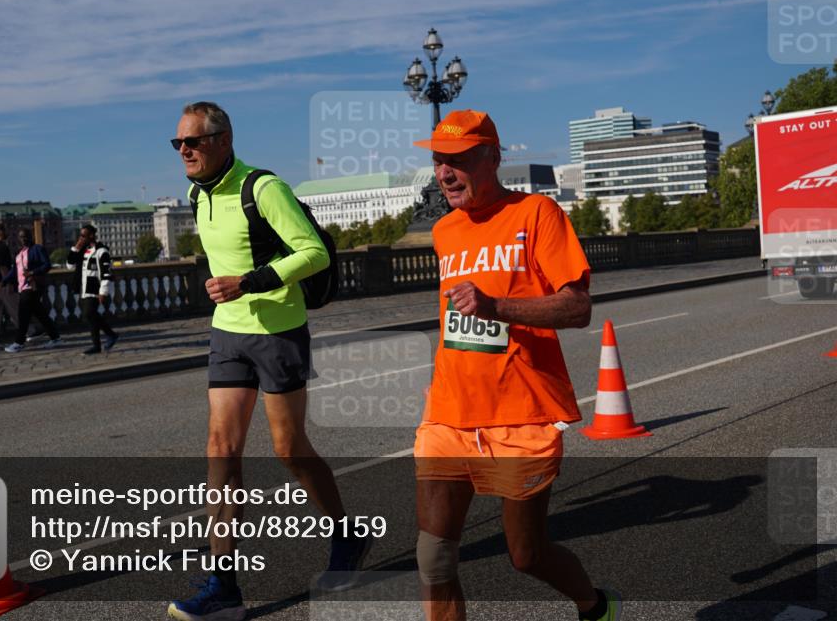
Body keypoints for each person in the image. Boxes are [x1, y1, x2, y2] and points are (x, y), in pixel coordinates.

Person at [411, 110, 621, 621]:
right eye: (438, 160)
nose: (444, 173)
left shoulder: (537, 214)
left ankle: (595, 606)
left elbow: (577, 307)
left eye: (459, 159)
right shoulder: (444, 230)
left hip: (521, 417)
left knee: (527, 555)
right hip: (449, 413)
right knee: (434, 559)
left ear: (493, 158)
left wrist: (496, 306)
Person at [166, 102, 371, 621]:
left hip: (278, 332)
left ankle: (346, 535)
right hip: (228, 333)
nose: (184, 150)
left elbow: (314, 252)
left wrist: (249, 282)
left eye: (192, 141)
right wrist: (227, 290)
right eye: (178, 143)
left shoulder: (263, 188)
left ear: (223, 140)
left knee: (289, 449)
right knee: (221, 450)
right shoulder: (196, 194)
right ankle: (224, 585)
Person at [3, 228, 63, 353]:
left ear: (31, 237)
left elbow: (47, 265)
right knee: (41, 314)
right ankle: (55, 338)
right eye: (21, 237)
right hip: (22, 287)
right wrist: (4, 281)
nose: (24, 238)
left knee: (23, 315)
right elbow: (15, 270)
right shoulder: (20, 253)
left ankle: (19, 342)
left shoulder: (37, 249)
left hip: (32, 286)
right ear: (18, 239)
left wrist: (32, 272)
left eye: (26, 236)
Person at [68, 224, 118, 355]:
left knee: (88, 313)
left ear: (91, 236)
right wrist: (76, 248)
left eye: (83, 236)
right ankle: (100, 343)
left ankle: (109, 336)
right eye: (80, 236)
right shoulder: (82, 250)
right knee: (90, 316)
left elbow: (106, 272)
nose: (81, 238)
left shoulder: (102, 251)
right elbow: (69, 265)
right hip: (83, 288)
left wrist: (103, 292)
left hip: (95, 288)